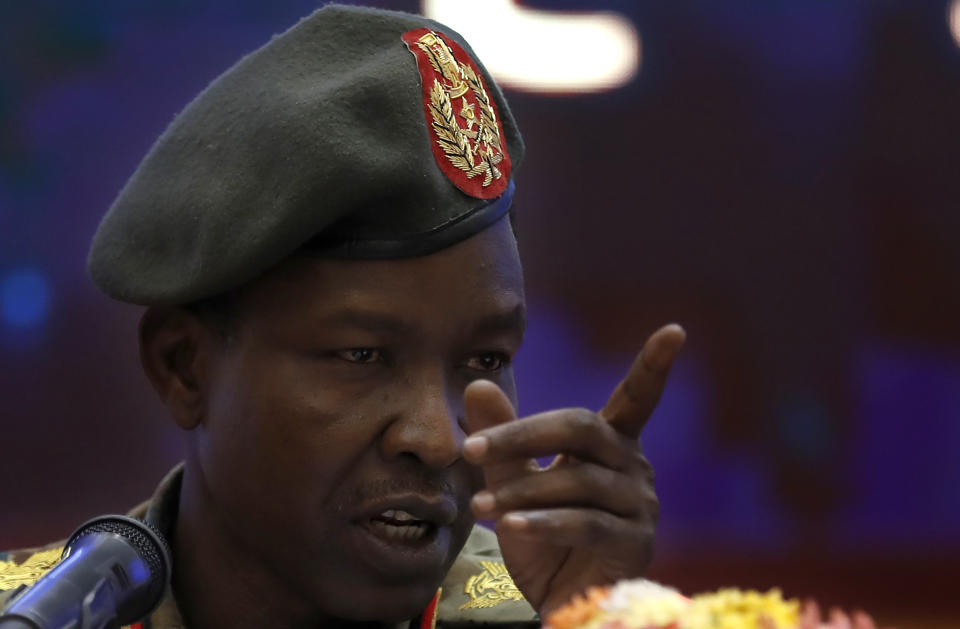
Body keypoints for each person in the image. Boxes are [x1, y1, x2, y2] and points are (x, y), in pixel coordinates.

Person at [0, 5, 685, 628]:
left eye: (484, 360)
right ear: (185, 366)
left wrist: (597, 617)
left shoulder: (544, 611)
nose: (438, 438)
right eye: (362, 355)